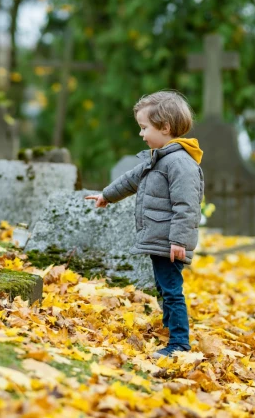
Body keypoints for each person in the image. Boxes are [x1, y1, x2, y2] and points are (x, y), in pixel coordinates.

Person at [85, 90, 204, 358]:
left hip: (170, 241)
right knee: (164, 287)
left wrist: (179, 241)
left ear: (165, 127)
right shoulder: (159, 158)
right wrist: (107, 195)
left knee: (172, 291)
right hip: (160, 238)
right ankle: (170, 331)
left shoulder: (180, 163)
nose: (141, 134)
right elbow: (130, 179)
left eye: (144, 127)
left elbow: (187, 206)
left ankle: (180, 344)